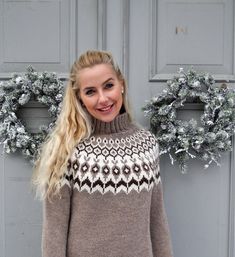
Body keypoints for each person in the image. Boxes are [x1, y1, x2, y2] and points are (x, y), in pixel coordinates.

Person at [32, 50, 173, 257]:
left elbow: (157, 219)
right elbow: (54, 230)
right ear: (79, 98)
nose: (103, 99)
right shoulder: (67, 148)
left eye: (108, 86)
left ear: (121, 84)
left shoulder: (147, 144)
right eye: (90, 91)